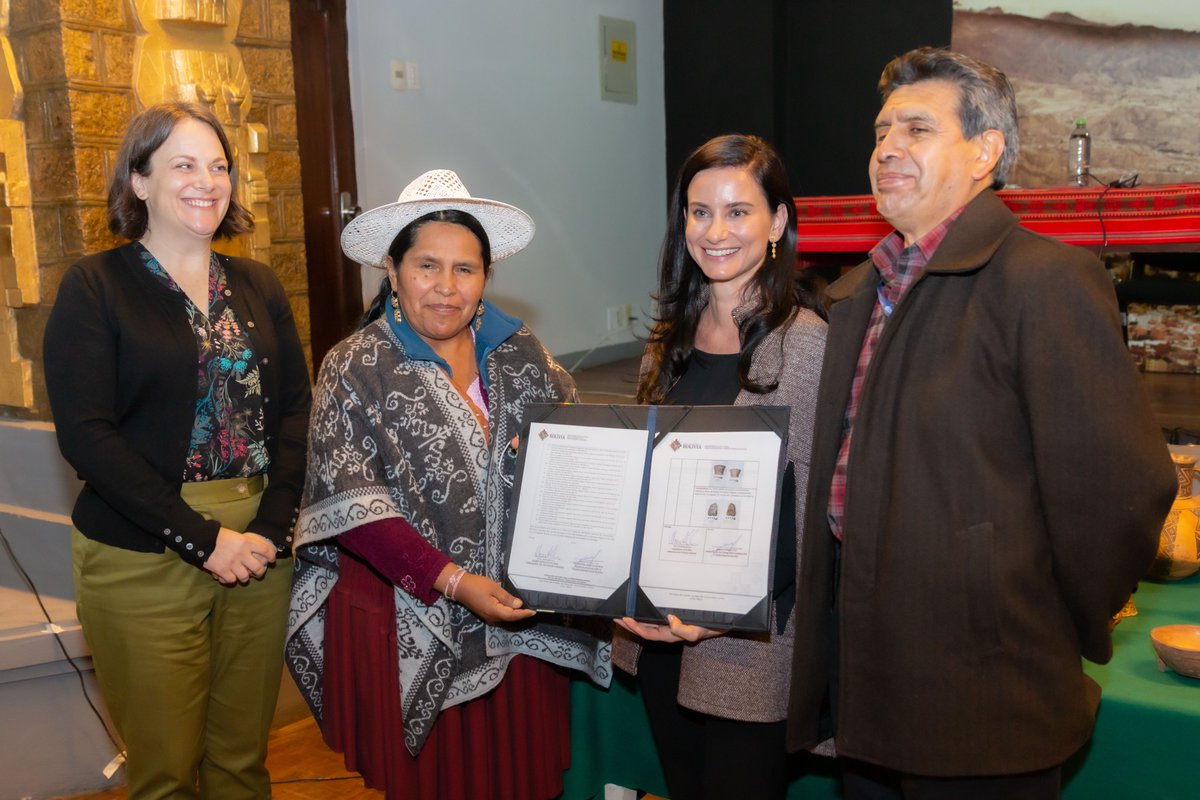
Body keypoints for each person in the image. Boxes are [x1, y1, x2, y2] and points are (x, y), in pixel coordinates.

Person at [786, 47, 1176, 799]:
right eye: (881, 132)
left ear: (984, 152)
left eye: (917, 129)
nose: (887, 148)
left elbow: (1121, 491)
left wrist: (1037, 615)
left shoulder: (1046, 282)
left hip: (984, 695)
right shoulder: (855, 293)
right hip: (864, 683)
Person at [284, 169, 610, 800]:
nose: (445, 287)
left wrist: (548, 458)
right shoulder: (356, 365)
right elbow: (353, 507)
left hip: (520, 616)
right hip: (413, 614)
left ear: (486, 276)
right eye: (426, 266)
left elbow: (579, 449)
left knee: (522, 774)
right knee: (443, 782)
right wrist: (455, 582)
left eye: (465, 269)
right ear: (392, 270)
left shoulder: (520, 351)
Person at [43, 102, 311, 798]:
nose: (207, 181)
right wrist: (203, 539)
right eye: (184, 165)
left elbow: (294, 411)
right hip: (144, 550)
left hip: (258, 549)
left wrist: (271, 528)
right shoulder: (94, 287)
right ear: (139, 180)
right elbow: (87, 436)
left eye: (219, 166)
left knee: (241, 763)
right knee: (165, 774)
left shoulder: (258, 283)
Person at [611, 134, 828, 800]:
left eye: (738, 212)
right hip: (658, 635)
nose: (715, 231)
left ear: (778, 222)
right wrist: (617, 588)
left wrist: (721, 610)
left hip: (747, 649)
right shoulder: (666, 342)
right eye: (700, 212)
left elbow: (808, 517)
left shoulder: (805, 344)